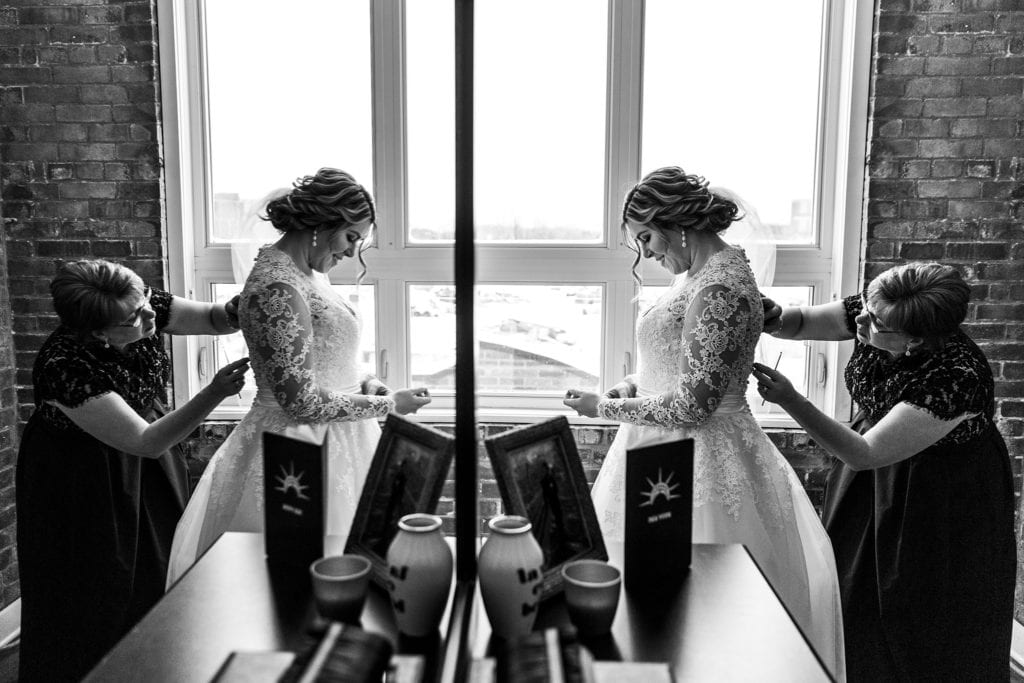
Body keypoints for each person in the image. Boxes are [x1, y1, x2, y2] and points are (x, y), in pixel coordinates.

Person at [563, 167, 845, 680]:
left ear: (676, 224)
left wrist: (601, 409)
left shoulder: (720, 288)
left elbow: (695, 404)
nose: (645, 253)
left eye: (645, 238)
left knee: (700, 611)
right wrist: (634, 383)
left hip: (696, 463)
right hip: (659, 449)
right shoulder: (698, 274)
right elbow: (679, 362)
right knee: (646, 602)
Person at [167, 168, 431, 584]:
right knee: (297, 581)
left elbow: (322, 357)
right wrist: (389, 405)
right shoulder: (276, 288)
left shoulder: (308, 274)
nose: (351, 253)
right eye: (350, 238)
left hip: (341, 439)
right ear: (320, 226)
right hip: (298, 450)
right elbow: (300, 401)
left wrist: (365, 382)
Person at [753, 262, 1015, 681]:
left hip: (940, 492)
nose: (859, 318)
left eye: (874, 321)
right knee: (852, 592)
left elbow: (863, 453)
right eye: (865, 307)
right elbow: (799, 322)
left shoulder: (957, 377)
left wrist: (791, 400)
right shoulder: (880, 311)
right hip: (870, 471)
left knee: (919, 611)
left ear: (917, 339)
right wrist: (771, 317)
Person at [16, 259, 250, 682]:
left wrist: (254, 299)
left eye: (146, 305)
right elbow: (146, 441)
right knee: (101, 586)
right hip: (84, 475)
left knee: (159, 567)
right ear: (99, 333)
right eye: (134, 319)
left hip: (148, 450)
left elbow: (218, 319)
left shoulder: (138, 305)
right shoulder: (64, 367)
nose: (149, 317)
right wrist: (214, 392)